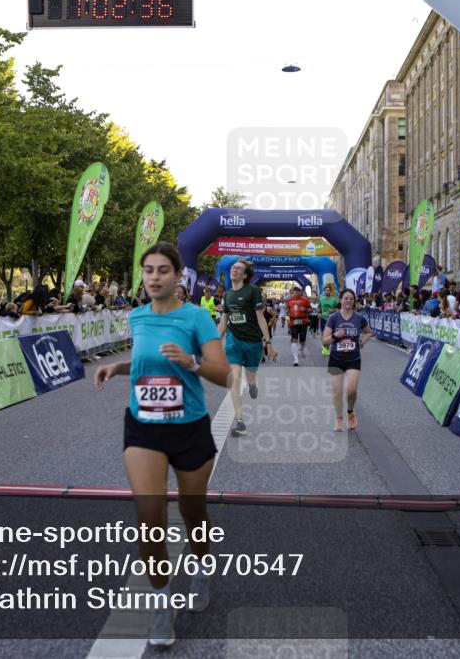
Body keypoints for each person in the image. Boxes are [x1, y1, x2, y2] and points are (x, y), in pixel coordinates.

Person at [93, 242, 230, 648]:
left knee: (193, 512)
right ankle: (161, 602)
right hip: (144, 427)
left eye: (162, 270)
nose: (154, 277)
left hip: (189, 428)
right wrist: (115, 367)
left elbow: (224, 376)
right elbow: (143, 361)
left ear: (177, 275)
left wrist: (191, 363)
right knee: (150, 517)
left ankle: (202, 565)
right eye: (148, 270)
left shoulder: (196, 317)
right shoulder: (137, 316)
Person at [219, 259, 275, 437]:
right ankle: (240, 421)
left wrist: (268, 343)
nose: (234, 270)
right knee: (234, 378)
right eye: (233, 267)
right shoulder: (227, 295)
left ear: (245, 275)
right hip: (233, 341)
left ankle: (252, 384)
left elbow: (260, 318)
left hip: (253, 343)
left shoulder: (253, 291)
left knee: (250, 376)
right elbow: (223, 322)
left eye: (238, 268)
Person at [322, 289, 372, 431]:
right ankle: (339, 418)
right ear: (341, 300)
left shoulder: (359, 318)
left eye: (351, 298)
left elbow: (369, 332)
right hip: (336, 358)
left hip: (353, 358)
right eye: (346, 298)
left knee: (351, 390)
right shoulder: (333, 318)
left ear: (354, 300)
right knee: (337, 392)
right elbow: (324, 341)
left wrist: (364, 341)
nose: (348, 301)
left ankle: (350, 412)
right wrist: (336, 336)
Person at [285, 285, 312, 365]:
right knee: (294, 340)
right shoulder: (289, 300)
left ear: (300, 292)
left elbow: (310, 309)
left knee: (302, 341)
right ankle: (296, 359)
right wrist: (288, 320)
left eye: (297, 292)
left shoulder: (305, 300)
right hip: (293, 322)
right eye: (294, 292)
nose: (295, 294)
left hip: (303, 322)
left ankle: (302, 349)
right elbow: (287, 311)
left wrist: (306, 309)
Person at [318, 284, 338, 356]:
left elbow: (337, 309)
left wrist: (333, 310)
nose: (327, 291)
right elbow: (319, 307)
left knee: (329, 334)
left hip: (331, 319)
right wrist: (319, 313)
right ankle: (324, 347)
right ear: (324, 291)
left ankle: (327, 347)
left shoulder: (333, 299)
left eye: (329, 290)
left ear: (330, 291)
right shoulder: (321, 299)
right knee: (323, 333)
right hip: (323, 318)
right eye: (326, 290)